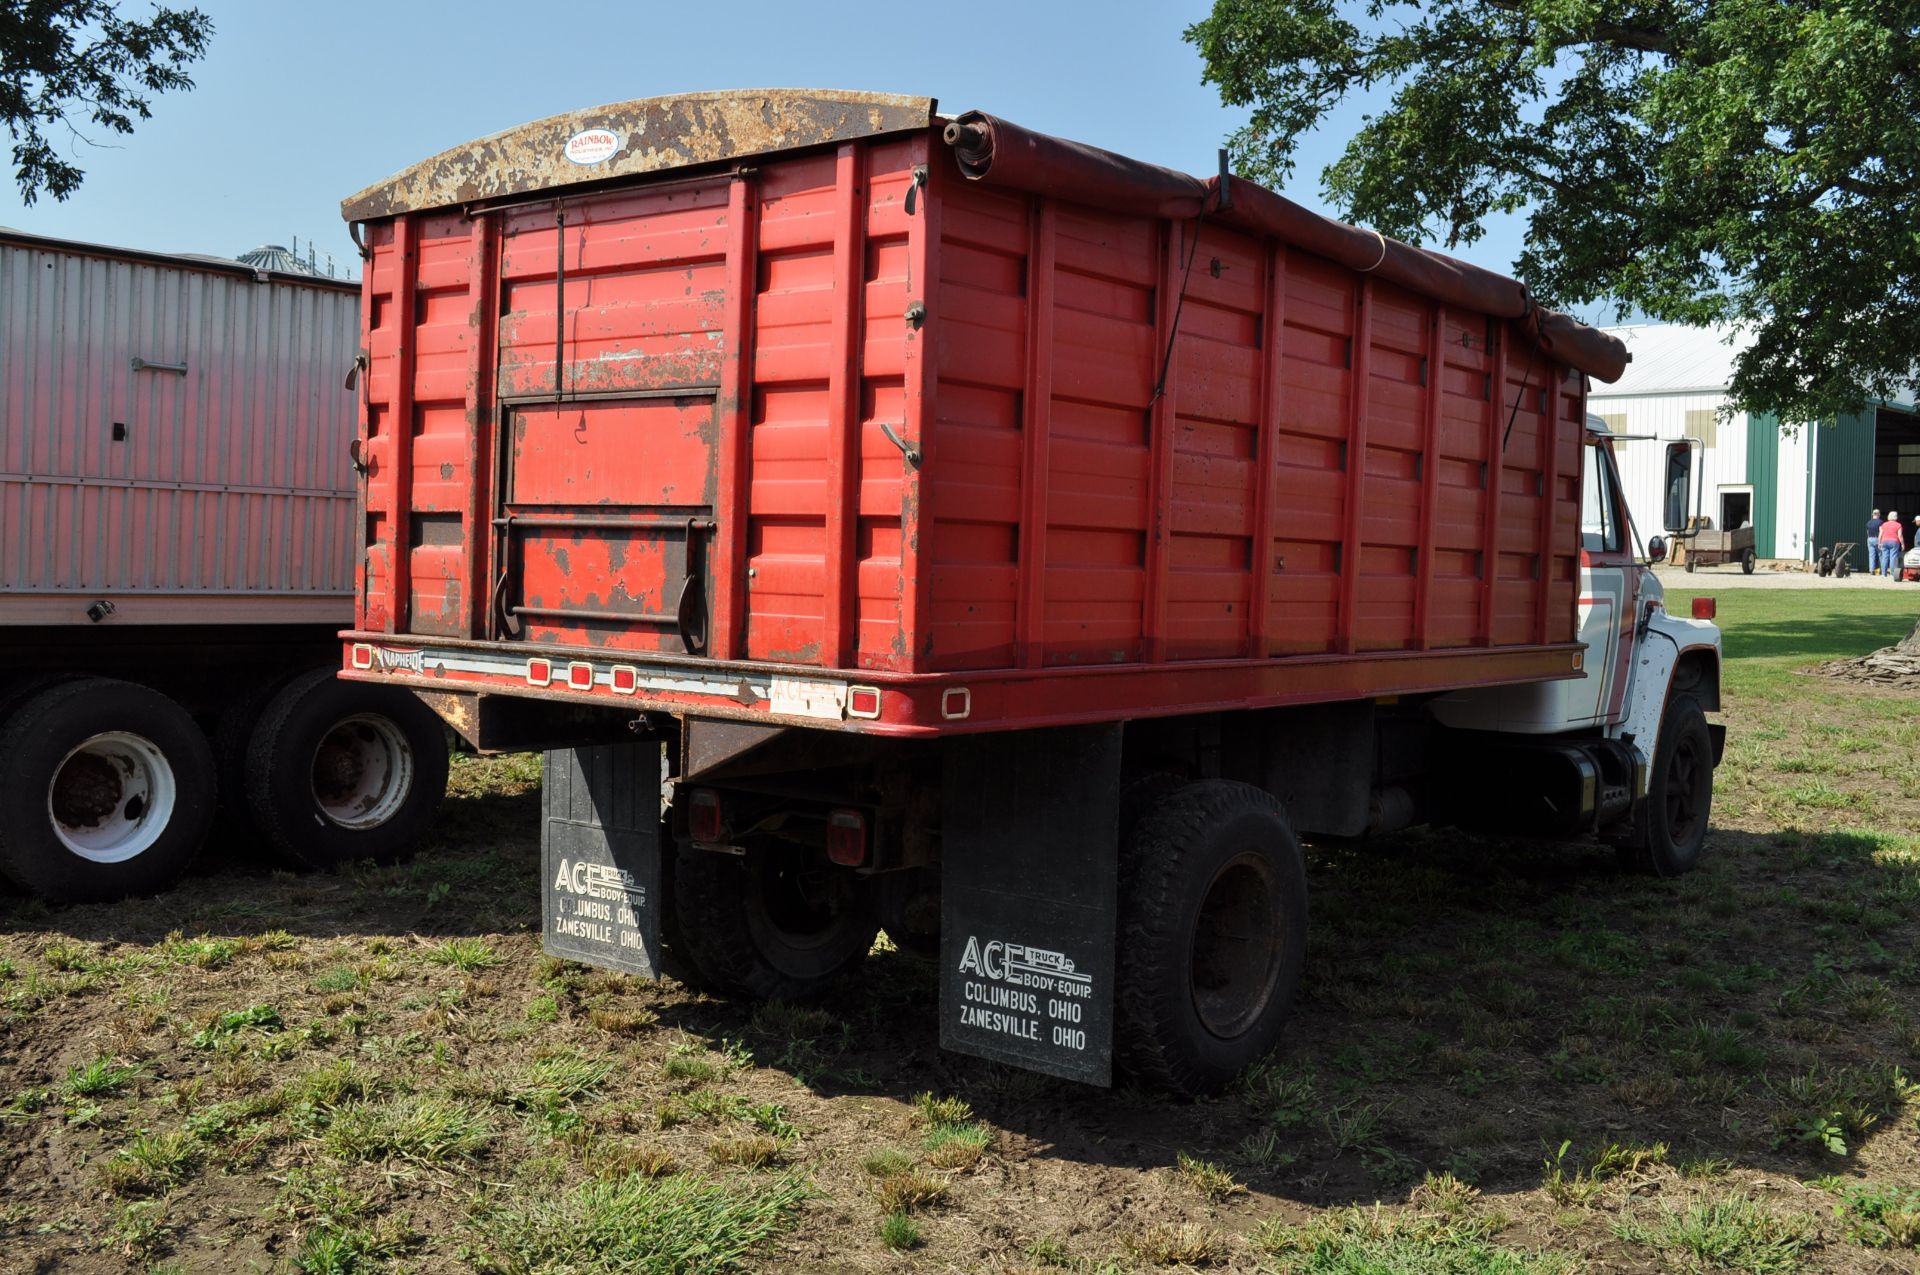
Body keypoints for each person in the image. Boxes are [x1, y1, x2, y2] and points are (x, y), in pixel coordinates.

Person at [1880, 511, 1906, 578]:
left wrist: (1879, 542)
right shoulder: (1898, 525)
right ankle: (1892, 573)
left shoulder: (1884, 524)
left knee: (1884, 557)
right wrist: (1902, 544)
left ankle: (1883, 574)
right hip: (1894, 542)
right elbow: (1900, 535)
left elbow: (1880, 534)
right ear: (1896, 517)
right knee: (1893, 558)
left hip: (1884, 541)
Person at [1868, 508, 1885, 575]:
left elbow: (1867, 532)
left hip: (1870, 539)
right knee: (1881, 555)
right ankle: (1882, 570)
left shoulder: (1869, 522)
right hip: (1877, 538)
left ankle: (1872, 570)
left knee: (1871, 555)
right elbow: (1881, 531)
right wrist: (1880, 541)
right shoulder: (1880, 522)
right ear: (1879, 514)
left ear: (1872, 514)